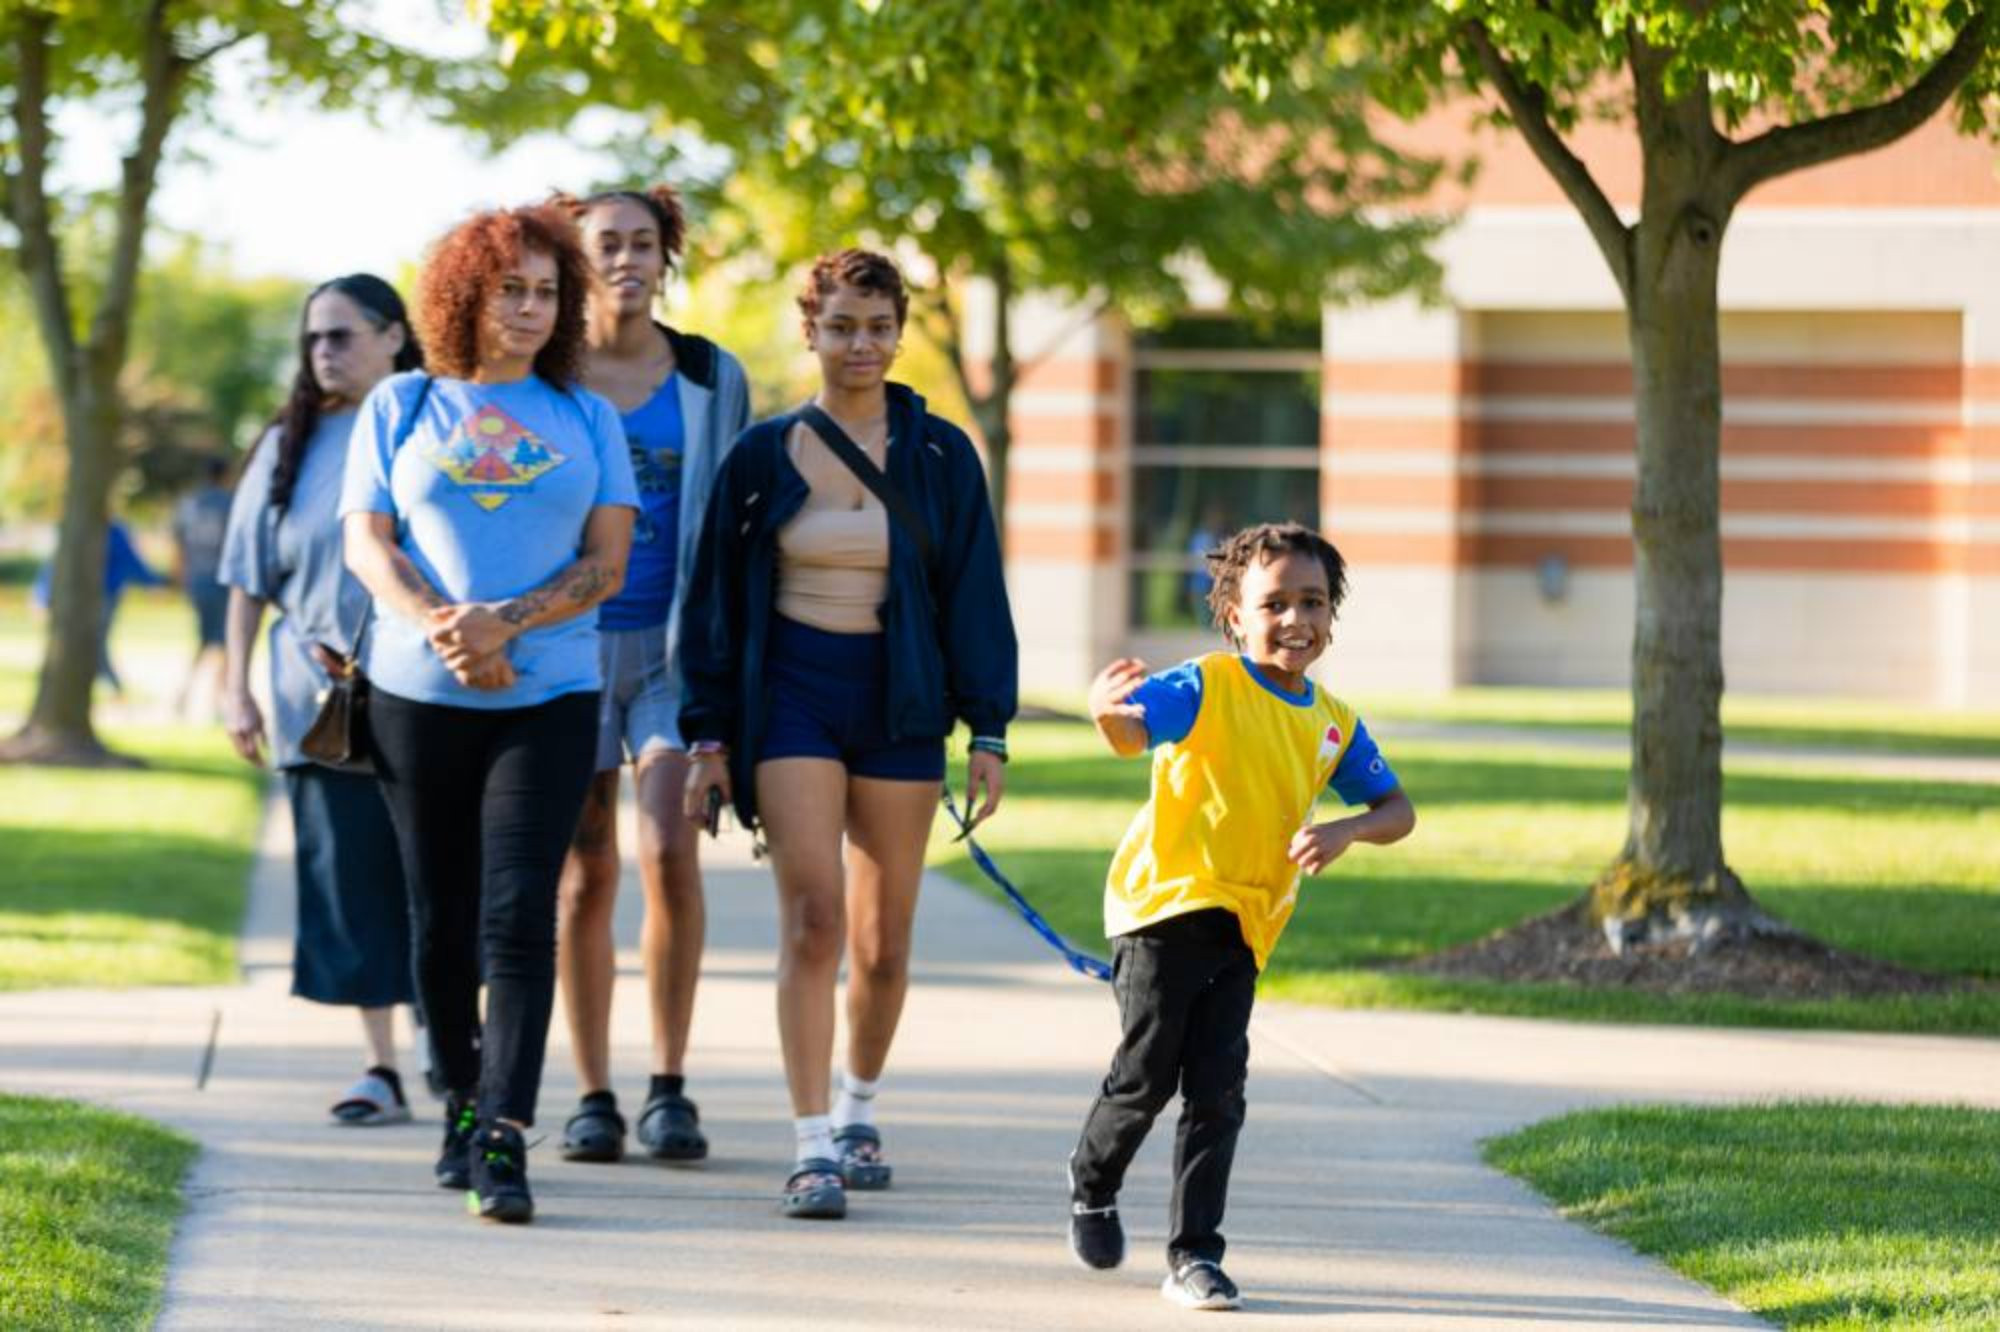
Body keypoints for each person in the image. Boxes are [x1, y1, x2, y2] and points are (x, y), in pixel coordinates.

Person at [682, 247, 1016, 1220]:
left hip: (901, 700)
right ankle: (809, 1142)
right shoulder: (760, 455)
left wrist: (987, 726)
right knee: (814, 919)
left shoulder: (944, 455)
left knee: (882, 940)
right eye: (840, 326)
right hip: (792, 694)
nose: (859, 345)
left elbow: (973, 595)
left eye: (876, 327)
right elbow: (712, 604)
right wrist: (707, 736)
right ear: (809, 330)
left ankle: (858, 1104)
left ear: (897, 332)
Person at [341, 204, 639, 1225]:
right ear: (464, 293)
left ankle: (503, 1133)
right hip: (414, 697)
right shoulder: (402, 405)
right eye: (509, 287)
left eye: (546, 291)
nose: (527, 306)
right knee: (441, 920)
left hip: (548, 696)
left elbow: (608, 564)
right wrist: (441, 626)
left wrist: (504, 625)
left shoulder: (587, 418)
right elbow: (367, 546)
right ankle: (459, 1101)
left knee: (520, 911)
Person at [1065, 521, 1416, 1310]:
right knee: (1149, 1076)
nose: (1297, 620)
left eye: (1314, 602)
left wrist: (1348, 829)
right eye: (1276, 603)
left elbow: (1397, 808)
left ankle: (1195, 1257)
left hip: (1247, 926)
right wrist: (1102, 711)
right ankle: (1092, 1180)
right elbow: (1130, 732)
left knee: (1218, 1090)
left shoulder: (1332, 721)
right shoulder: (1206, 684)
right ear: (1234, 617)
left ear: (1333, 613)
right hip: (1164, 906)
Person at [546, 185, 752, 1167]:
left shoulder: (712, 376)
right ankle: (592, 1093)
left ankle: (669, 1085)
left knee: (668, 852)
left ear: (666, 257)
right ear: (576, 259)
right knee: (584, 874)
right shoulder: (543, 377)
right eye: (604, 244)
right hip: (569, 653)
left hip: (675, 659)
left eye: (642, 242)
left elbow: (742, 533)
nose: (624, 258)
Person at [219, 275, 430, 1126]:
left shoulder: (432, 425)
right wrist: (235, 686)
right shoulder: (289, 446)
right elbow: (245, 578)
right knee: (352, 887)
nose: (323, 354)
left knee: (435, 877)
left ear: (393, 337)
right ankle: (381, 1066)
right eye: (313, 339)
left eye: (341, 336)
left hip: (428, 691)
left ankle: (450, 1050)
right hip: (320, 703)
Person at [33, 518, 165, 696]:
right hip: (80, 596)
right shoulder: (78, 525)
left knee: (95, 643)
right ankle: (108, 688)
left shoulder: (114, 531)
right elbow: (57, 563)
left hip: (105, 595)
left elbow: (129, 560)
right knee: (86, 643)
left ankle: (112, 688)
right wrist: (42, 594)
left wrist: (153, 582)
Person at [174, 454, 234, 716]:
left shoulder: (190, 504)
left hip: (197, 579)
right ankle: (216, 700)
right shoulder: (229, 504)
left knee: (206, 639)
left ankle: (189, 695)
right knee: (224, 641)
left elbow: (178, 544)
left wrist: (181, 577)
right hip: (222, 579)